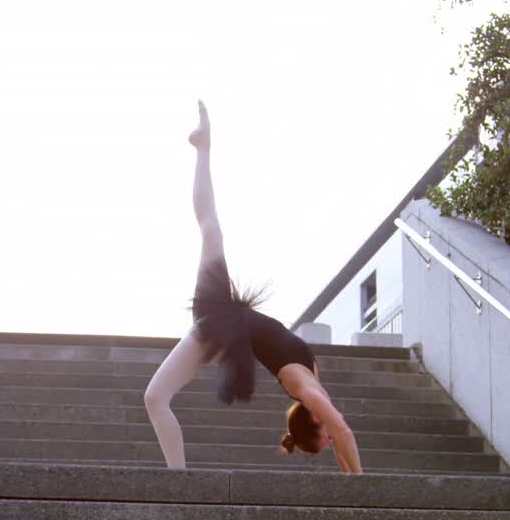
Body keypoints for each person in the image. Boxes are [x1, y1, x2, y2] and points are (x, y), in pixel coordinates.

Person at [143, 101, 364, 474]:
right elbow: (342, 432)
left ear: (312, 422)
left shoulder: (305, 390)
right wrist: (355, 478)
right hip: (225, 314)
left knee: (154, 397)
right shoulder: (313, 384)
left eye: (324, 441)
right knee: (211, 229)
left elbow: (341, 431)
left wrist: (357, 482)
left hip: (221, 331)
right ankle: (204, 146)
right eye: (327, 442)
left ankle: (177, 479)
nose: (332, 439)